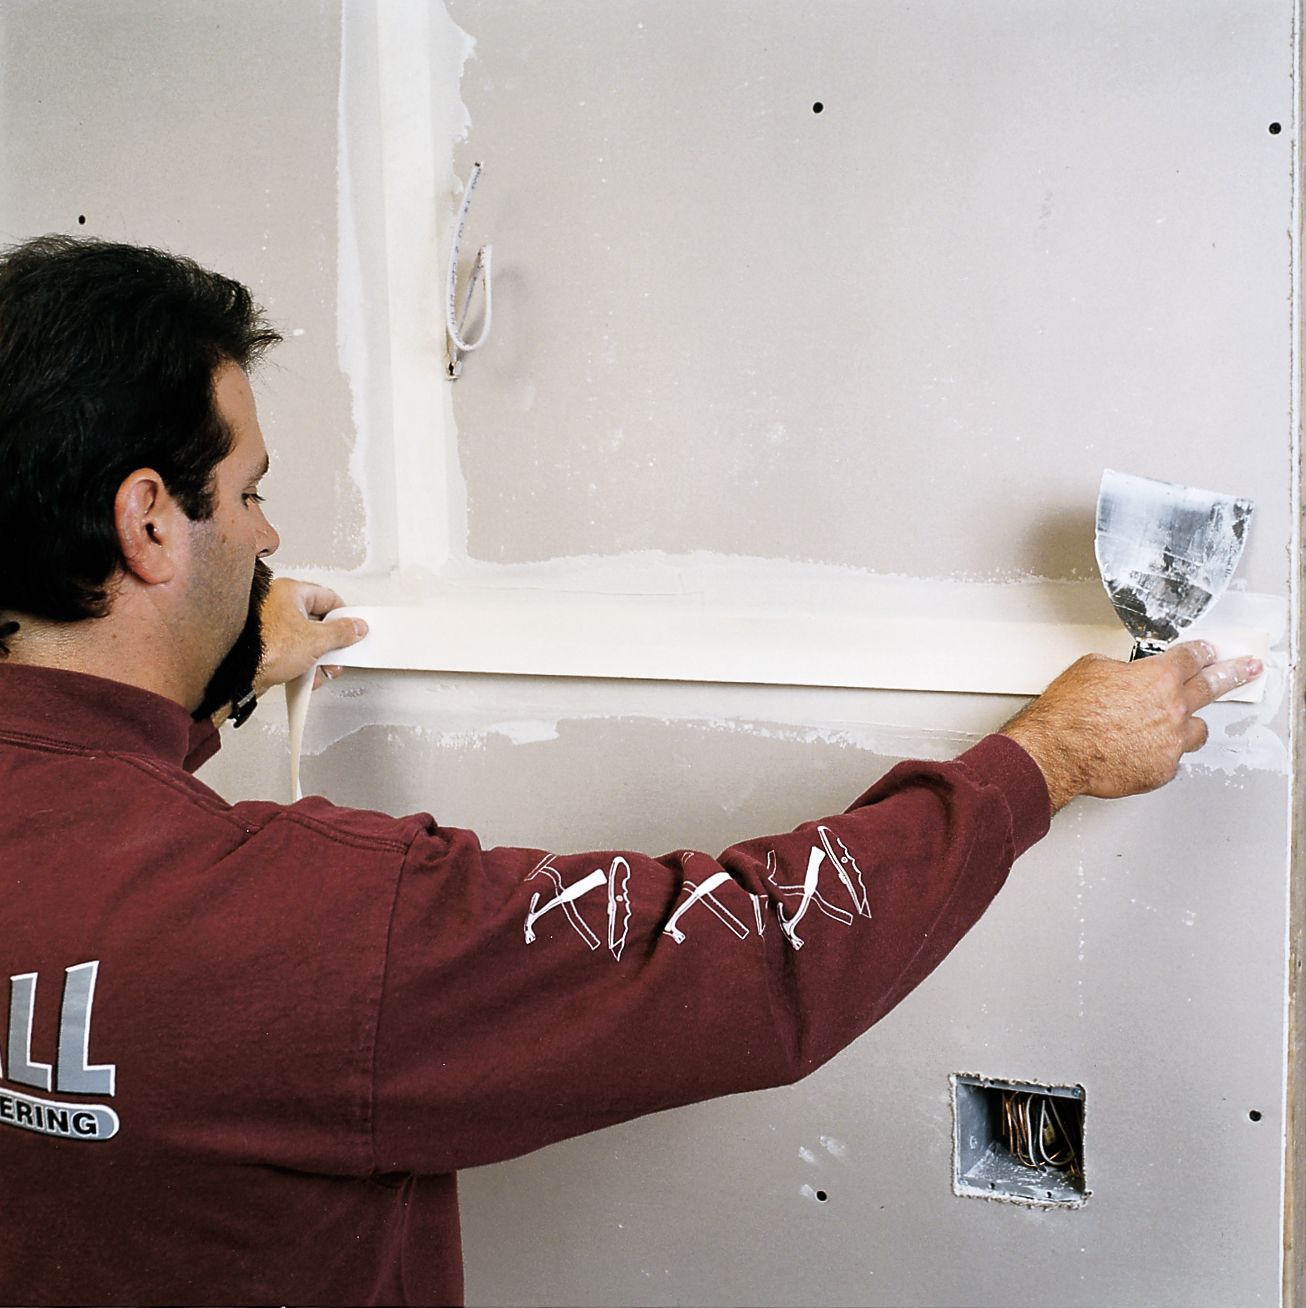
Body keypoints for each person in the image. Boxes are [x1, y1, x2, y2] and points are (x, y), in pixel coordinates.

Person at [0, 235, 1260, 1308]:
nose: (271, 536)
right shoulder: (307, 925)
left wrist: (207, 673)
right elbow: (762, 953)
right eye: (249, 492)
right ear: (150, 519)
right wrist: (1046, 760)